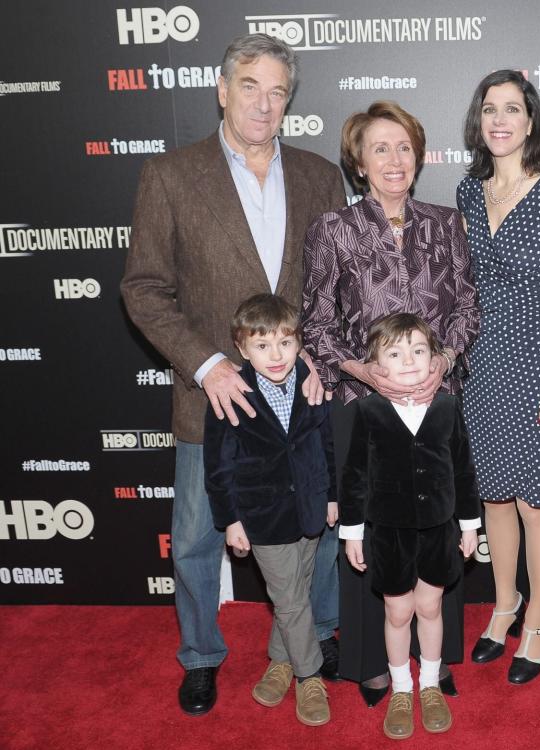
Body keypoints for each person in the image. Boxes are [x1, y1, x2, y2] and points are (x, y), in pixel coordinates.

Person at [120, 33, 346, 716]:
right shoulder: (170, 175)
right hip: (210, 397)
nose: (264, 102)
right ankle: (200, 656)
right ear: (222, 90)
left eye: (278, 90)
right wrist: (208, 362)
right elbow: (144, 289)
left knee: (318, 527)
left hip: (299, 396)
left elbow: (332, 287)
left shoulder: (317, 175)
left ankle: (320, 635)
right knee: (195, 535)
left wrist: (316, 351)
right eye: (250, 86)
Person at [301, 100, 480, 707]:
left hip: (437, 401)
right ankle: (372, 661)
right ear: (358, 161)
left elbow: (466, 310)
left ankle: (435, 659)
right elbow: (317, 323)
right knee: (374, 530)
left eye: (403, 146)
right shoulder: (334, 229)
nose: (394, 159)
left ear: (418, 154)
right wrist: (368, 373)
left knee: (436, 520)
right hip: (364, 404)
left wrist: (443, 362)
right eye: (380, 148)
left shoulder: (446, 222)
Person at [457, 69, 540, 684]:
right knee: (494, 498)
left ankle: (538, 615)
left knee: (535, 501)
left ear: (531, 121)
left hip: (537, 363)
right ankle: (503, 602)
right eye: (489, 109)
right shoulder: (467, 190)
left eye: (512, 108)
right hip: (483, 366)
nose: (500, 119)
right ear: (479, 123)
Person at [339, 313, 480, 739]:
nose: (409, 360)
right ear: (376, 363)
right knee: (398, 611)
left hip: (439, 529)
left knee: (431, 607)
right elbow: (355, 475)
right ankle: (402, 689)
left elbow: (463, 470)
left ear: (434, 356)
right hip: (388, 532)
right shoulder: (367, 410)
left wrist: (471, 525)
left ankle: (430, 683)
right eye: (396, 353)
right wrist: (352, 532)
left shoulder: (449, 406)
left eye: (419, 351)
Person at [204, 295, 337, 726]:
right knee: (291, 599)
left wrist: (332, 495)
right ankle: (308, 675)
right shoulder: (231, 393)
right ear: (242, 349)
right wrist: (231, 520)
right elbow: (219, 466)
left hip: (311, 507)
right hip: (262, 514)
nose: (275, 355)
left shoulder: (309, 382)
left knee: (294, 590)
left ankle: (280, 660)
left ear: (300, 342)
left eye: (285, 342)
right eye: (262, 346)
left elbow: (326, 443)